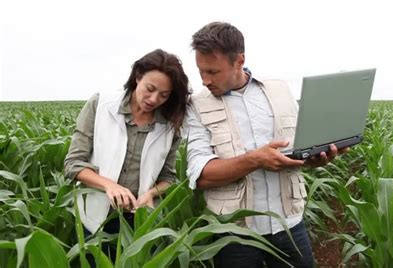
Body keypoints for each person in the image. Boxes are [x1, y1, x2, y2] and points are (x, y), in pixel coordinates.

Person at [184, 22, 346, 267]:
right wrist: (255, 159)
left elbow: (297, 150)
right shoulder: (196, 105)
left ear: (239, 61)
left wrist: (315, 159)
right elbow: (201, 176)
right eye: (201, 71)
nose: (205, 80)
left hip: (289, 223)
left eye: (213, 72)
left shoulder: (280, 90)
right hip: (233, 233)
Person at [64, 49, 190, 259]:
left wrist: (150, 194)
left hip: (139, 223)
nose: (154, 99)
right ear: (138, 76)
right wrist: (109, 185)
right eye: (150, 89)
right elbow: (73, 164)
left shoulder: (169, 125)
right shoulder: (101, 105)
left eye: (164, 95)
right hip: (95, 218)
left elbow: (168, 178)